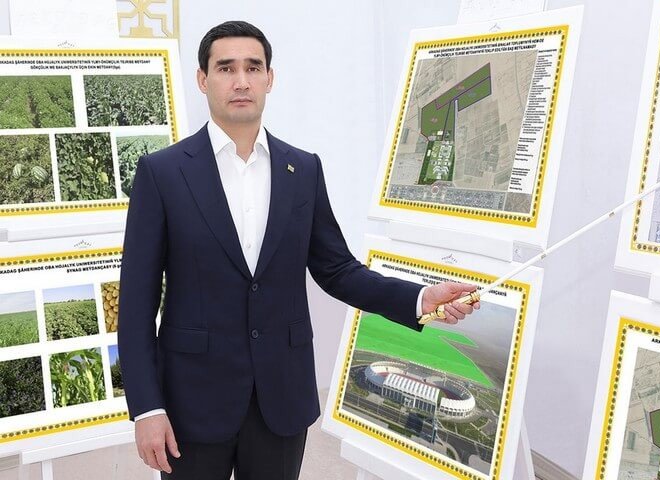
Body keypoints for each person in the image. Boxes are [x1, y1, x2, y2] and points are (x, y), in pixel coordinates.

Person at [118, 20, 480, 480]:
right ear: (203, 79)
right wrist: (146, 407)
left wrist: (419, 298)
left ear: (270, 78)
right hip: (192, 398)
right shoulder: (162, 173)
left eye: (253, 67)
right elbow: (136, 303)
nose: (241, 81)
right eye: (226, 68)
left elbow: (338, 269)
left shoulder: (303, 169)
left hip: (282, 397)